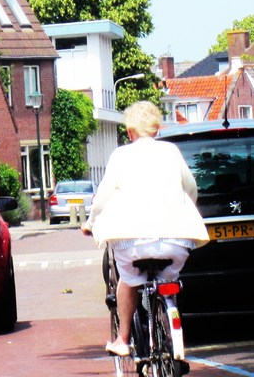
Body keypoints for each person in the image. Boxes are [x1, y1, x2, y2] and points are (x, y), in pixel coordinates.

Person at [81, 101, 209, 357]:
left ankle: (123, 339)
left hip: (131, 243)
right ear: (157, 129)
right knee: (168, 281)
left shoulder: (120, 155)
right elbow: (191, 189)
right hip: (176, 241)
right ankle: (169, 317)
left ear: (130, 132)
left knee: (127, 282)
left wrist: (91, 223)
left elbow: (103, 198)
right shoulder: (171, 151)